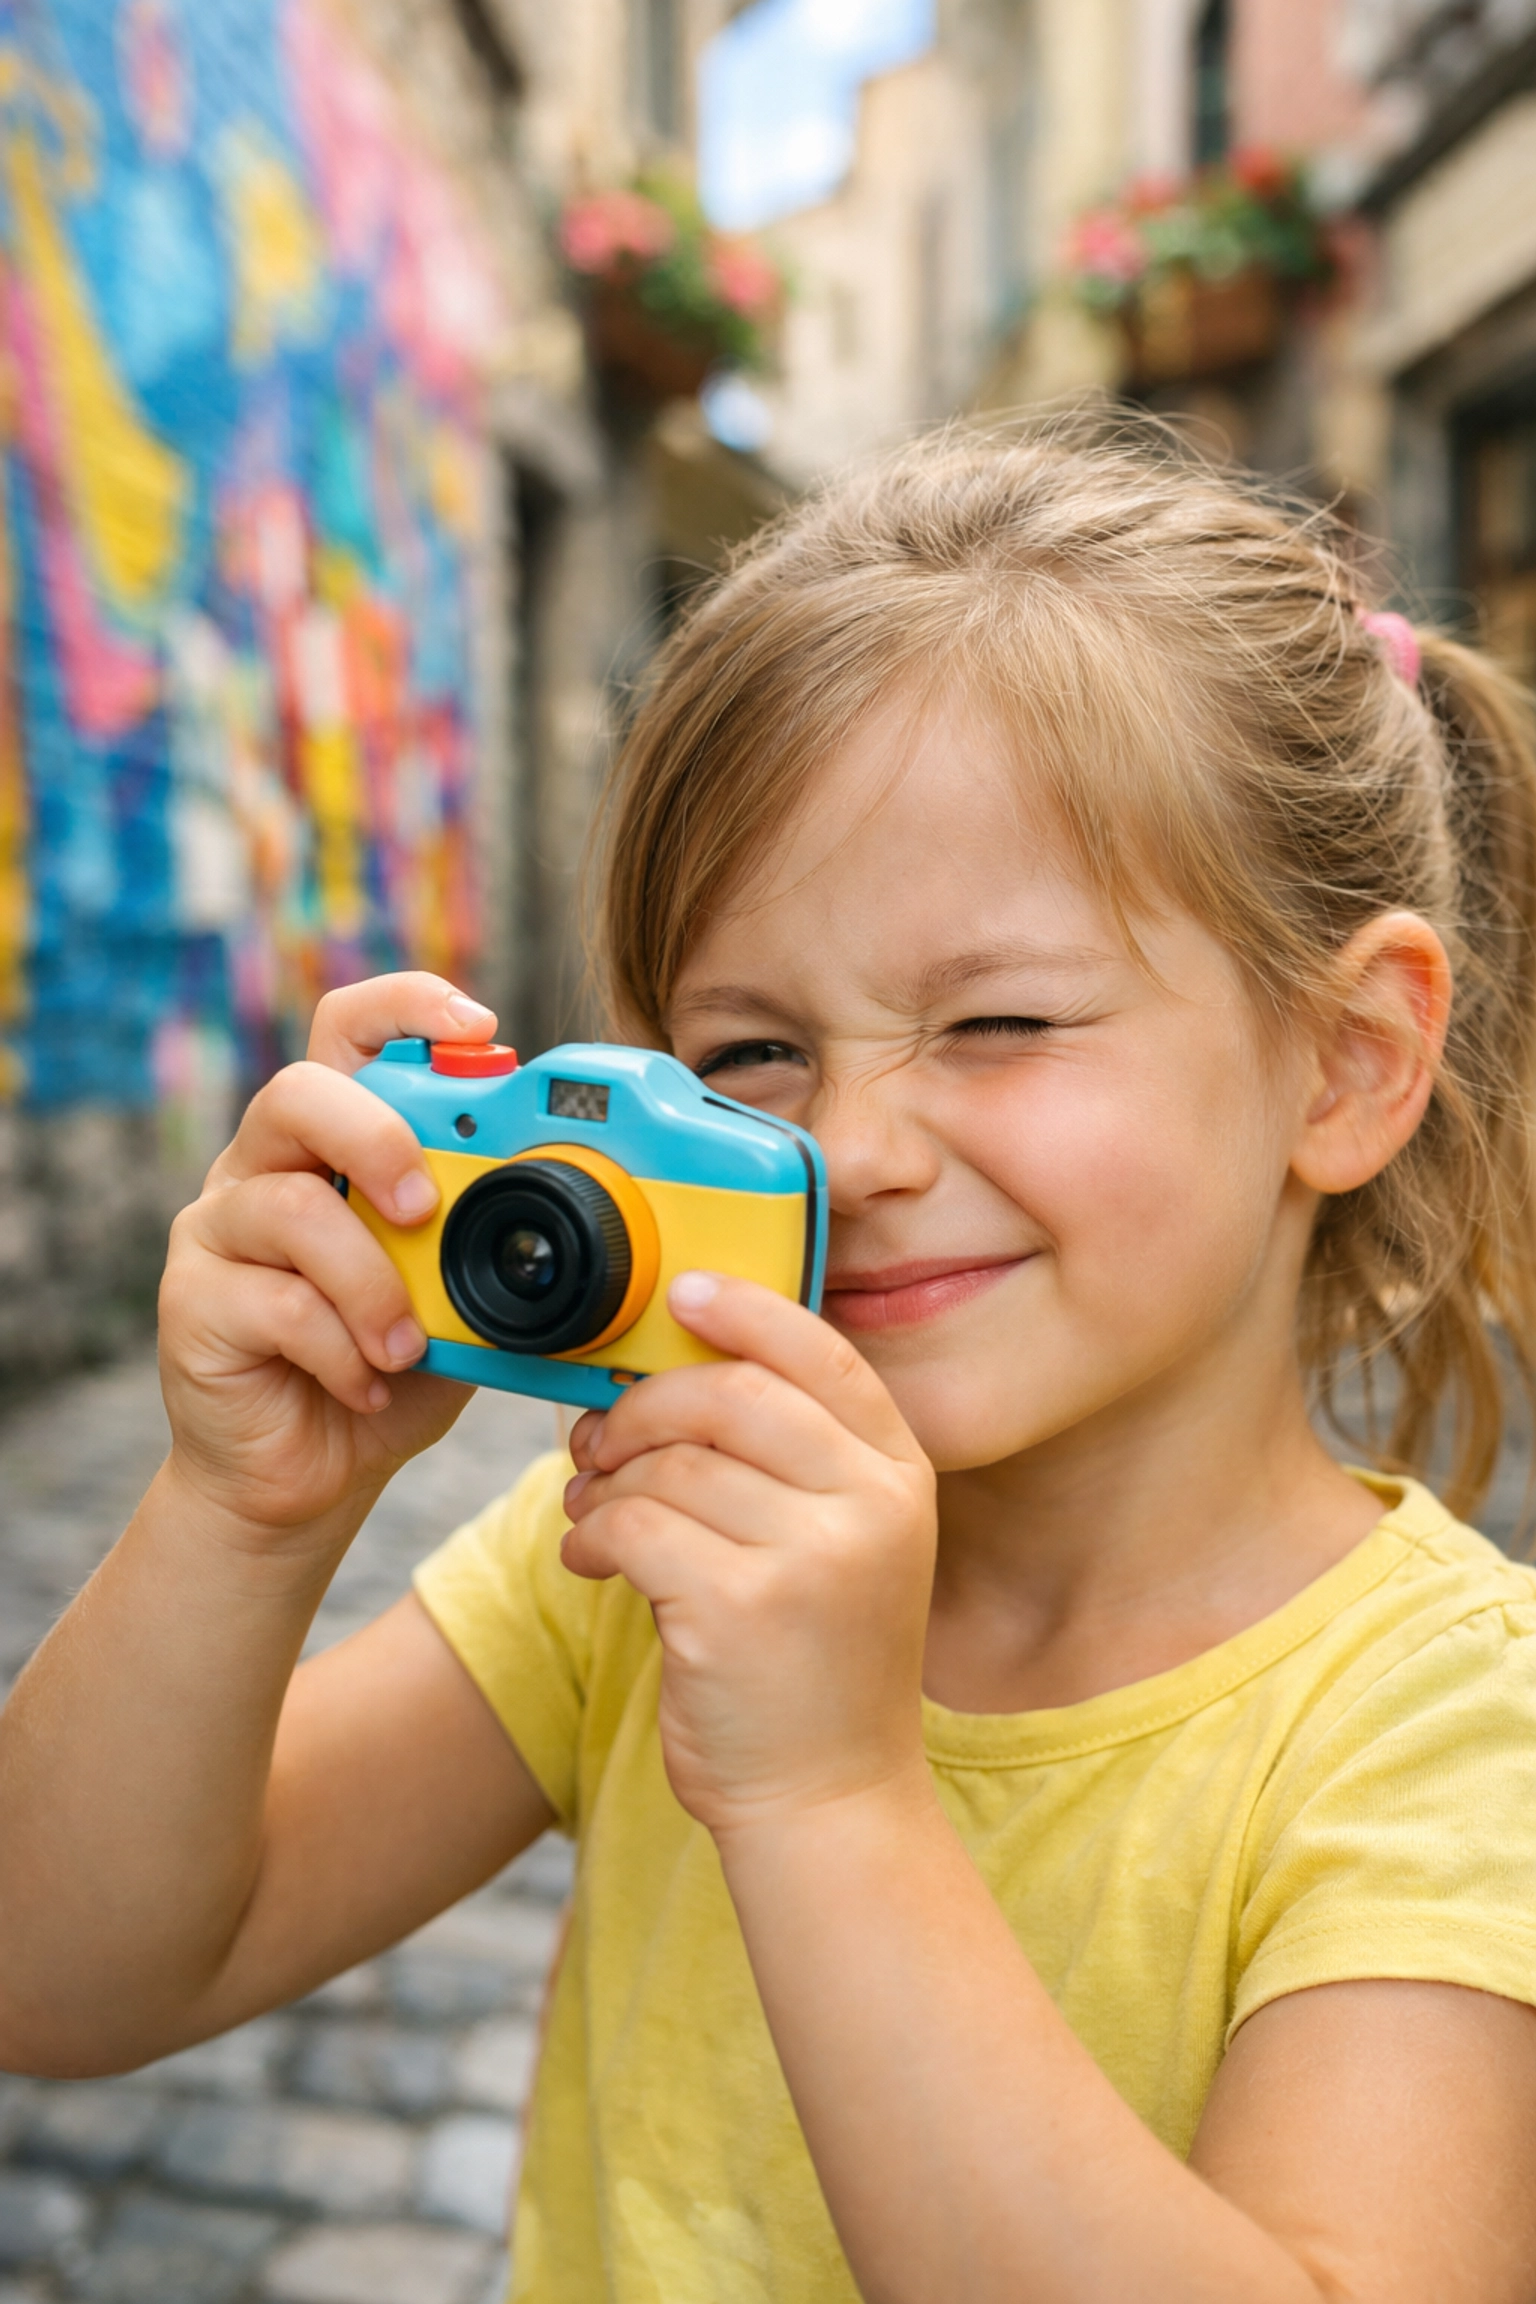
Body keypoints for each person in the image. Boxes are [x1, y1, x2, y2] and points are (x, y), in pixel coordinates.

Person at [7, 417, 1536, 2304]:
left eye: (996, 1018)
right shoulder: (649, 1556)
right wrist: (242, 1519)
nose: (859, 1149)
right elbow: (60, 1975)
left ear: (1349, 1061)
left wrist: (832, 1799)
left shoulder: (1446, 1736)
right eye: (750, 1057)